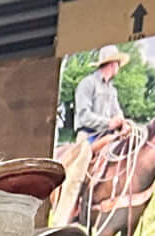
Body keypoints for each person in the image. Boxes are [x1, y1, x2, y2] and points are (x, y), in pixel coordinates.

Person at [57, 47, 135, 222]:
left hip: (109, 136)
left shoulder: (112, 90)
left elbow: (117, 113)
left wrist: (124, 123)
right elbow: (84, 115)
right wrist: (108, 123)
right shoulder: (87, 83)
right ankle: (62, 217)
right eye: (117, 63)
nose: (119, 67)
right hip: (88, 136)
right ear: (111, 63)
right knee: (78, 171)